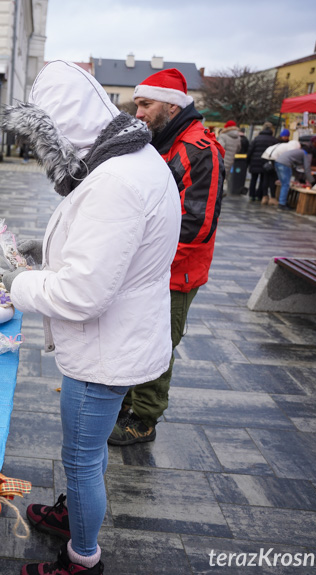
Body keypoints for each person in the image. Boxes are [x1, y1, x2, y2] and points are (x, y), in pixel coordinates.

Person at [1, 60, 181, 575]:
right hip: (123, 333)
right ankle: (75, 516)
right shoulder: (135, 160)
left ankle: (82, 557)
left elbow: (83, 292)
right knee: (89, 450)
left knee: (80, 459)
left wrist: (19, 285)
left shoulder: (116, 180)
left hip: (105, 348)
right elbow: (108, 255)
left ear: (67, 129)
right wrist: (47, 254)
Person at [109, 67, 224, 445]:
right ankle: (125, 403)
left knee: (157, 342)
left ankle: (144, 419)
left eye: (145, 104)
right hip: (146, 267)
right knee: (133, 336)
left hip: (175, 273)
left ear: (172, 107)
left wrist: (145, 258)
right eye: (137, 104)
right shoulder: (160, 142)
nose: (137, 112)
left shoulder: (198, 150)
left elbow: (197, 225)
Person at [273, 140, 311, 210]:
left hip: (277, 162)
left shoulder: (296, 152)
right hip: (285, 165)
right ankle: (282, 204)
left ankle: (283, 201)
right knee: (285, 184)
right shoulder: (304, 154)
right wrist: (311, 181)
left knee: (283, 184)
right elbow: (307, 168)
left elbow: (295, 166)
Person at [246, 122, 279, 203]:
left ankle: (251, 195)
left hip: (254, 162)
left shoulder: (256, 139)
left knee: (253, 179)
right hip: (266, 162)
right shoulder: (274, 140)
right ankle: (259, 195)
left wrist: (248, 161)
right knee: (263, 180)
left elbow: (250, 150)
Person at [217, 120, 241, 193]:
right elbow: (238, 148)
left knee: (218, 177)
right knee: (225, 176)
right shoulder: (238, 137)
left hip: (221, 159)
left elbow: (220, 147)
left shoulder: (223, 136)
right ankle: (223, 190)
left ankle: (220, 191)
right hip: (231, 160)